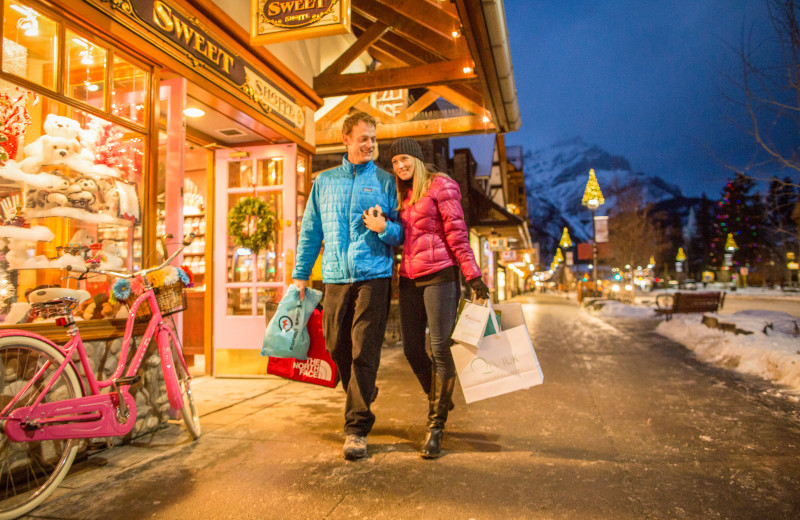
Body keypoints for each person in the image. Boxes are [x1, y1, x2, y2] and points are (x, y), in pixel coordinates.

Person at [292, 112, 403, 461]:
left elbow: (402, 232)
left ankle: (357, 428)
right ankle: (363, 388)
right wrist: (300, 273)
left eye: (373, 138)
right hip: (336, 277)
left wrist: (384, 228)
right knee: (336, 343)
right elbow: (311, 231)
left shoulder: (386, 182)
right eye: (363, 138)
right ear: (346, 139)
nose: (369, 144)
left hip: (374, 275)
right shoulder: (323, 182)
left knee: (364, 350)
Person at [381, 137, 489, 458]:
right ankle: (440, 395)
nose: (400, 166)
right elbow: (401, 234)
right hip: (409, 277)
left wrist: (473, 276)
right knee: (413, 348)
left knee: (440, 349)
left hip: (440, 274)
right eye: (395, 162)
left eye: (405, 159)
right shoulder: (403, 194)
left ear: (417, 158)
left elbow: (457, 231)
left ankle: (435, 426)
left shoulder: (441, 185)